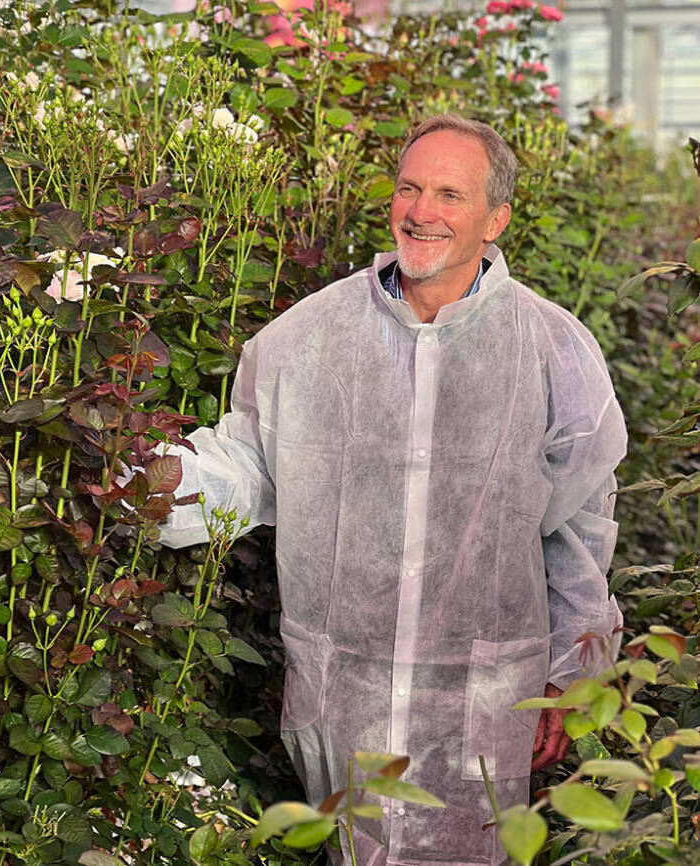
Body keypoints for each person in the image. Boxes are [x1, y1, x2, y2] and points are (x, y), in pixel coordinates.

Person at [160, 114, 626, 866]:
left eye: (449, 194)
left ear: (495, 219)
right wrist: (136, 485)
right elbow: (247, 462)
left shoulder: (552, 349)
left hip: (484, 694)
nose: (421, 211)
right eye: (409, 189)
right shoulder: (308, 337)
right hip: (347, 686)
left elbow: (579, 526)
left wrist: (572, 676)